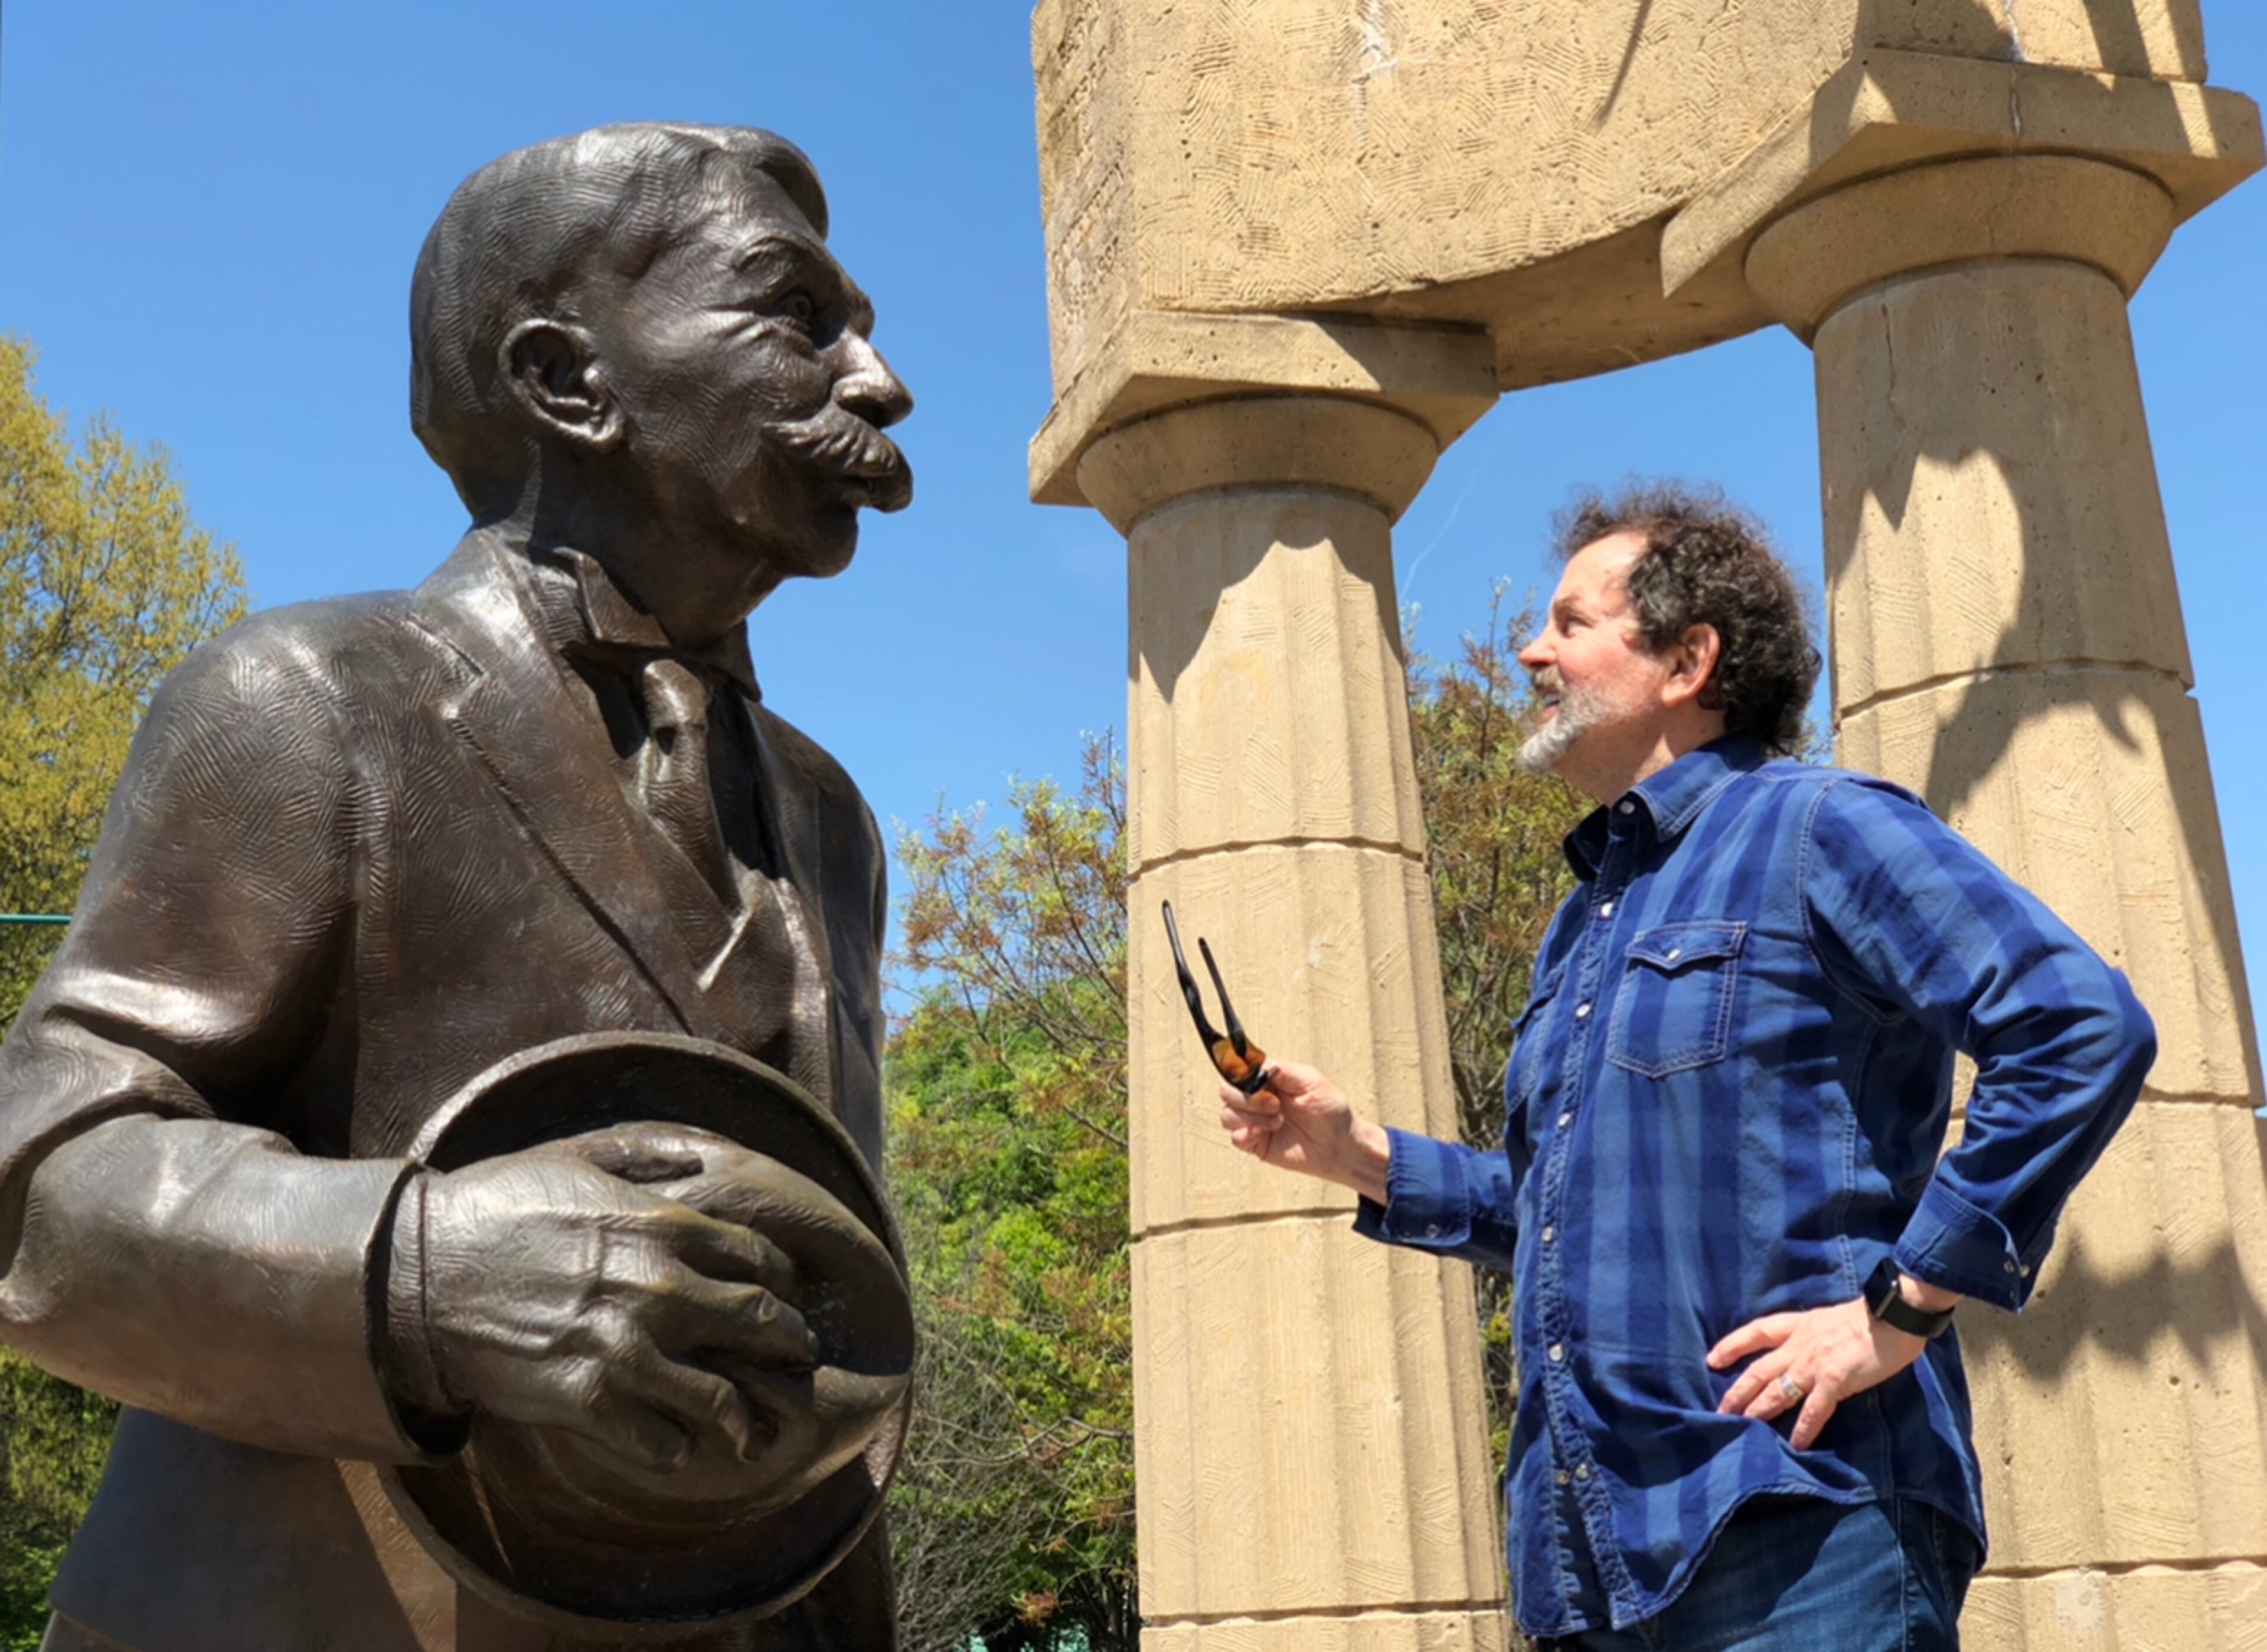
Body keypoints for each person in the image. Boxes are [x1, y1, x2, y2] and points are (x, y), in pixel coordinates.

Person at [0, 125, 914, 1651]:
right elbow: (35, 1171)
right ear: (568, 382)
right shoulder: (306, 699)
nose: (877, 382)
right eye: (797, 315)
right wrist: (421, 1270)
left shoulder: (828, 818)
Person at [1219, 485, 2156, 1651]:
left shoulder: (1822, 824)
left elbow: (2077, 1024)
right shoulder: (1582, 922)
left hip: (1802, 1530)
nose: (1530, 650)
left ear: (1688, 659)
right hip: (1592, 1566)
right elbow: (1567, 1211)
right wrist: (1358, 1155)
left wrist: (1902, 1305)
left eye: (1571, 623)